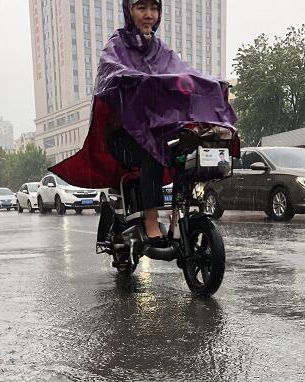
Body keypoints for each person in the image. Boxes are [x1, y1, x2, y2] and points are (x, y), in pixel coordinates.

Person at [50, 0, 236, 243]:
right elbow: (111, 72)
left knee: (189, 149)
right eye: (141, 8)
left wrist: (210, 84)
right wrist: (135, 79)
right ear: (129, 10)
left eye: (154, 9)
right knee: (153, 151)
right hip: (123, 135)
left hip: (158, 131)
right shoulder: (116, 46)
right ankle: (150, 220)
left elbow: (185, 72)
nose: (149, 15)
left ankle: (178, 214)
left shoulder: (162, 50)